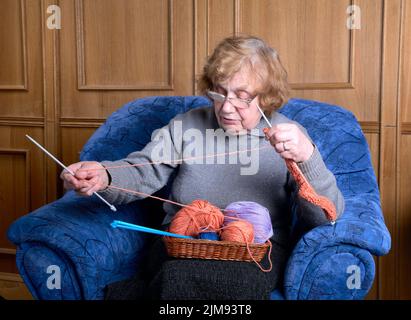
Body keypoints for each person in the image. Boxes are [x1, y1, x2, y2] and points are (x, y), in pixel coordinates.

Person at [61, 35, 345, 300]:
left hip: (254, 251)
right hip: (182, 242)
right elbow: (143, 170)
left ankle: (143, 290)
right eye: (220, 93)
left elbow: (324, 218)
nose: (226, 108)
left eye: (242, 96)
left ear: (267, 97)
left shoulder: (290, 136)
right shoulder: (187, 125)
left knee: (216, 281)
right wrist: (104, 175)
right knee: (178, 272)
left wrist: (308, 157)